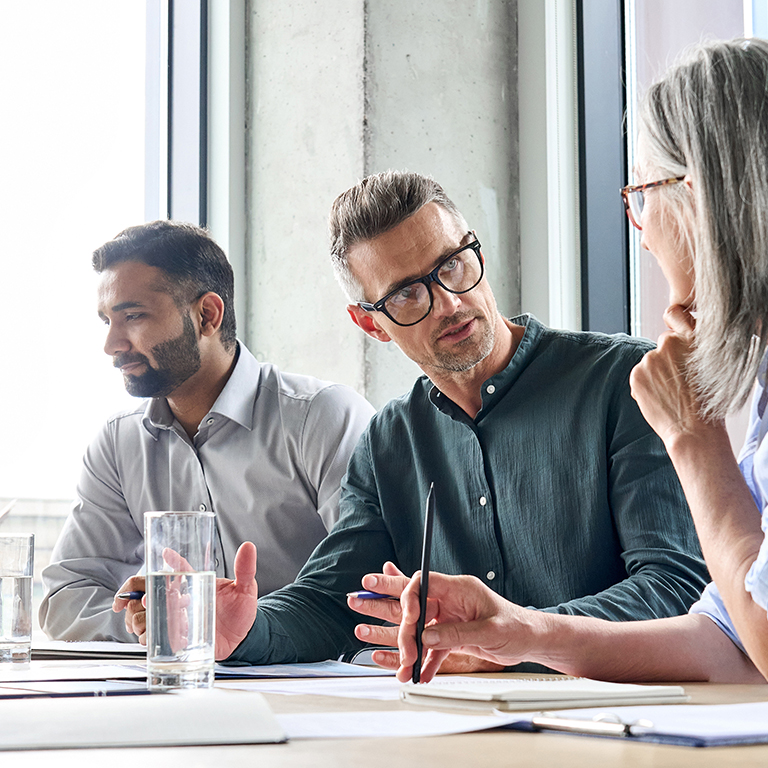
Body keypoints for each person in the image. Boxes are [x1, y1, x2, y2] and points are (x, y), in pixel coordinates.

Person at [194, 170, 709, 667]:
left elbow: (675, 587)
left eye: (452, 265)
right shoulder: (389, 442)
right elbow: (335, 602)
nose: (449, 302)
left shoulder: (627, 381)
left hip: (620, 724)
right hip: (459, 732)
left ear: (476, 250)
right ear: (370, 324)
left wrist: (513, 642)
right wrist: (244, 629)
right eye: (407, 294)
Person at [389, 38, 768, 686]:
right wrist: (517, 632)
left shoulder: (623, 380)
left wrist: (692, 441)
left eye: (644, 195)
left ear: (701, 196)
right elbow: (727, 636)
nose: (640, 229)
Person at [39, 220, 374, 642]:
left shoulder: (322, 418)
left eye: (133, 316)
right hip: (175, 698)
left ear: (207, 315)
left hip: (312, 696)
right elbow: (65, 600)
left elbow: (368, 584)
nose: (112, 343)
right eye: (107, 320)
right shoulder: (117, 445)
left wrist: (220, 622)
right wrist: (163, 623)